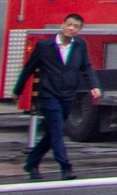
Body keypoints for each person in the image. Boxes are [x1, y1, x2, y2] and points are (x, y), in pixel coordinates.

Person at [12, 12, 100, 181]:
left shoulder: (80, 45)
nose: (71, 28)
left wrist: (94, 86)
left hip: (67, 95)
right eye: (69, 24)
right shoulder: (45, 46)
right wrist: (17, 91)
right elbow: (28, 69)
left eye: (75, 26)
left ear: (79, 30)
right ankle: (65, 167)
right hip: (48, 95)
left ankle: (32, 161)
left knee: (53, 132)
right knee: (58, 130)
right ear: (62, 25)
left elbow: (86, 68)